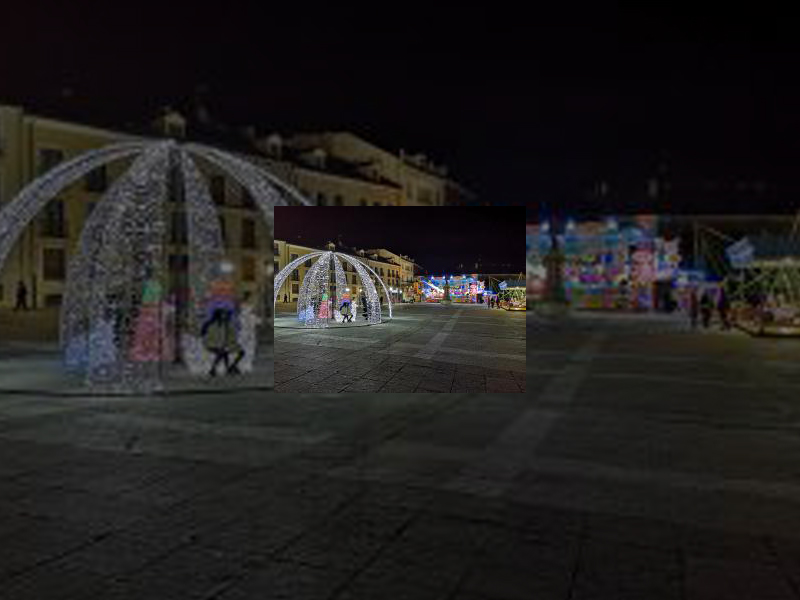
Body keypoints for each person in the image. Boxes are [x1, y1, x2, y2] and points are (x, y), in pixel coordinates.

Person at [201, 308, 244, 376]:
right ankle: (214, 369)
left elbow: (230, 336)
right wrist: (222, 345)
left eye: (225, 315)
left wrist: (232, 343)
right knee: (222, 352)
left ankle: (231, 366)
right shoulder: (213, 324)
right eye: (223, 314)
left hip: (224, 344)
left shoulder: (227, 324)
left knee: (240, 352)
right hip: (212, 344)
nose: (224, 316)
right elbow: (213, 336)